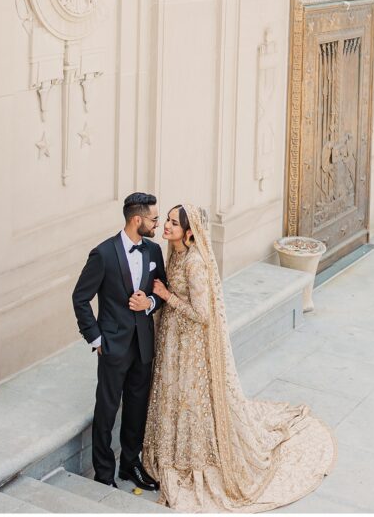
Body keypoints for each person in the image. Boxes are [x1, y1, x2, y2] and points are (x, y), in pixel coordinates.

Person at [142, 203, 337, 512]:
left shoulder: (194, 263)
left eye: (173, 224)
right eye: (166, 220)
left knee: (190, 401)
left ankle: (194, 460)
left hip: (190, 346)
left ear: (189, 233)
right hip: (173, 341)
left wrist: (167, 297)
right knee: (172, 395)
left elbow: (203, 314)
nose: (166, 226)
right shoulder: (175, 253)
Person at [72, 192, 167, 490]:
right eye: (153, 218)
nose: (157, 223)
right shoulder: (103, 253)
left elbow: (161, 290)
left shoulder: (153, 251)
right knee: (107, 409)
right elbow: (80, 298)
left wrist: (149, 303)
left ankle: (130, 464)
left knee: (137, 408)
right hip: (113, 346)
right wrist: (96, 338)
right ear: (137, 219)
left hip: (143, 345)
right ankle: (103, 475)